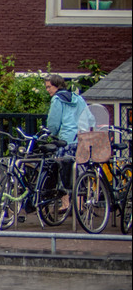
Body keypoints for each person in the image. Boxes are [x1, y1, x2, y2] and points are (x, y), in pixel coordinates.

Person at [45, 74, 97, 209]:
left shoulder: (57, 100)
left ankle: (65, 204)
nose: (47, 90)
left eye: (49, 87)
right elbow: (90, 118)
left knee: (62, 171)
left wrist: (52, 133)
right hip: (80, 139)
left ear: (56, 86)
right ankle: (78, 206)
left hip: (65, 140)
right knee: (78, 171)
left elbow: (54, 122)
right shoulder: (78, 98)